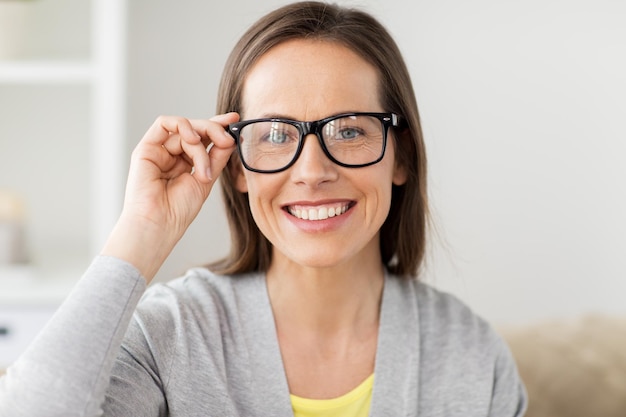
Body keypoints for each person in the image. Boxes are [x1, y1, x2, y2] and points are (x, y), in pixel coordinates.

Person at [0, 2, 527, 416]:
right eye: (275, 135)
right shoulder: (171, 335)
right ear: (237, 167)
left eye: (348, 130)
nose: (313, 172)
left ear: (401, 156)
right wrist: (141, 232)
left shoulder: (471, 357)